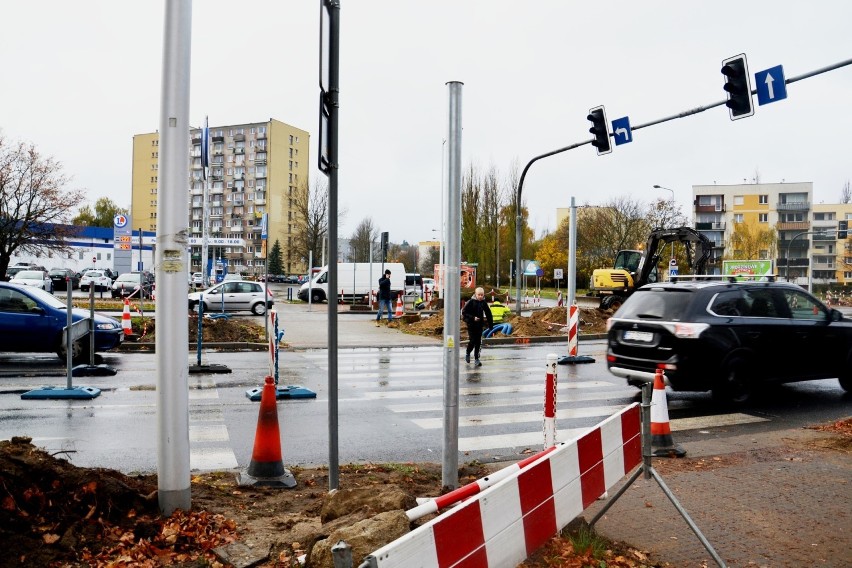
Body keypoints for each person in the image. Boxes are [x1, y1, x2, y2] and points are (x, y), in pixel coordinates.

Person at [462, 287, 493, 367]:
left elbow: (488, 313)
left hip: (479, 325)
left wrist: (490, 325)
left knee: (478, 342)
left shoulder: (483, 303)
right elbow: (464, 312)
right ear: (475, 295)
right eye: (479, 295)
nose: (480, 296)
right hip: (471, 325)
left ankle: (476, 359)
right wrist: (473, 318)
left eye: (482, 295)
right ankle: (468, 353)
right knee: (472, 341)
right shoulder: (471, 302)